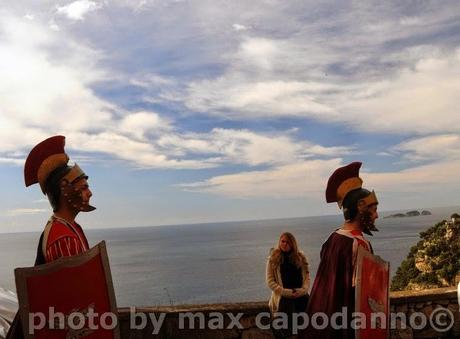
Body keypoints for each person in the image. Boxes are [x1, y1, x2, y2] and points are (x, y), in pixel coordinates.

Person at [7, 135, 96, 339]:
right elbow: (71, 303)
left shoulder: (70, 228)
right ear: (65, 191)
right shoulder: (62, 237)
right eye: (83, 188)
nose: (89, 193)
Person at [300, 162, 379, 339]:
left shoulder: (332, 237)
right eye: (373, 210)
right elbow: (362, 293)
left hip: (325, 314)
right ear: (360, 207)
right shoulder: (360, 244)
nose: (376, 215)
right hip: (347, 320)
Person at [266, 232, 310, 338]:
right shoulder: (273, 259)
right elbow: (270, 281)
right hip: (283, 298)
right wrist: (286, 292)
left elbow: (307, 279)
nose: (285, 244)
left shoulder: (301, 258)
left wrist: (302, 291)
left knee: (305, 327)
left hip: (301, 297)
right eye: (283, 241)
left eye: (288, 242)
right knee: (286, 330)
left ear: (293, 244)